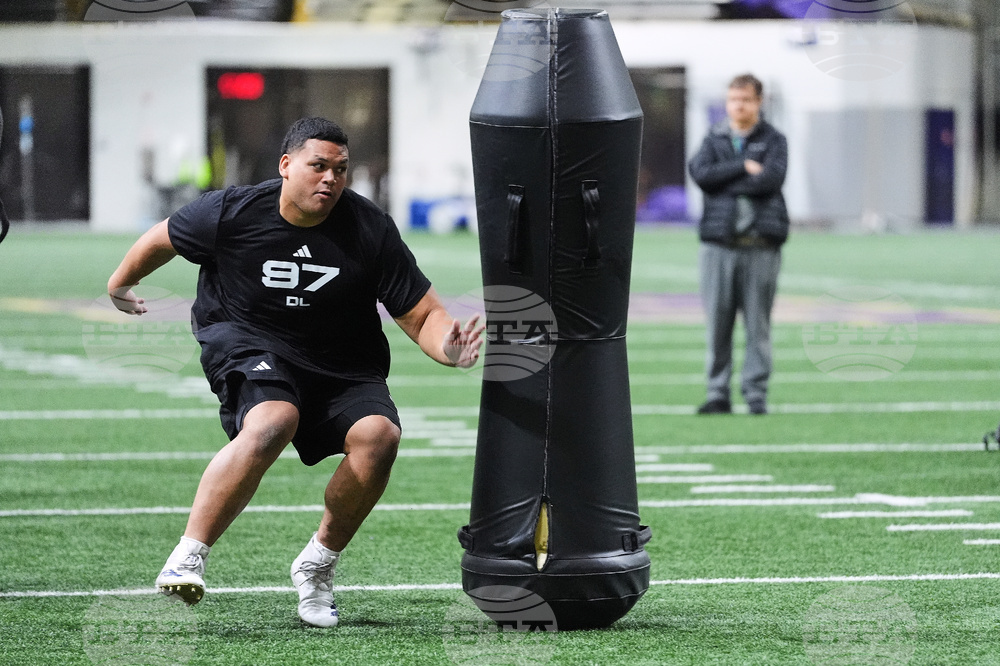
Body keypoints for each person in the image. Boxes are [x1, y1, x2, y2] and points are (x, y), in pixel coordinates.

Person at [107, 117, 484, 627]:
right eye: (319, 166)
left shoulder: (369, 227)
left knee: (379, 436)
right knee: (272, 420)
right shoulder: (232, 210)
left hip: (341, 360)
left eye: (341, 169)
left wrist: (450, 348)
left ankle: (317, 566)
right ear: (287, 166)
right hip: (247, 340)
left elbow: (420, 314)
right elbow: (164, 237)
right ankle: (189, 555)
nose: (330, 178)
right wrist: (120, 283)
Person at [688, 74, 789, 416]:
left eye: (745, 99)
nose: (738, 106)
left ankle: (755, 393)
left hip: (760, 245)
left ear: (759, 102)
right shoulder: (714, 137)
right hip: (719, 246)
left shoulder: (774, 139)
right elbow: (700, 175)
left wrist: (724, 179)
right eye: (733, 99)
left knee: (758, 324)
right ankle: (717, 392)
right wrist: (742, 167)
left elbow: (770, 180)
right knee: (717, 323)